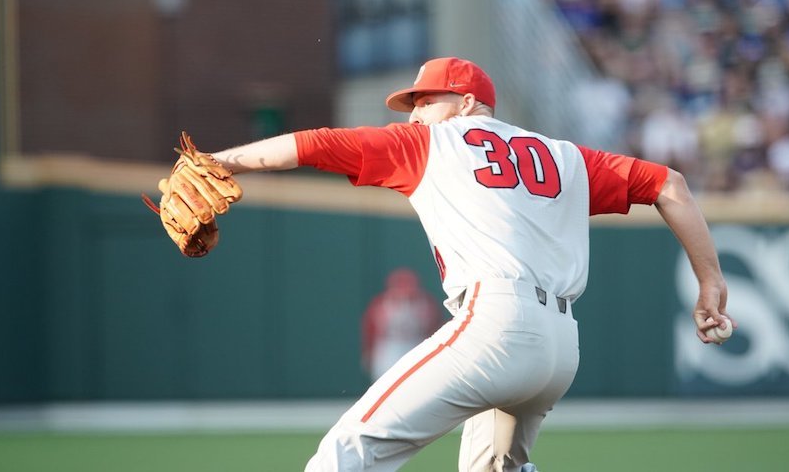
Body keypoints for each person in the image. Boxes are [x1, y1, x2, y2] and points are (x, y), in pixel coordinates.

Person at [208, 57, 734, 471]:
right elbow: (671, 185)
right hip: (560, 347)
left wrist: (218, 163)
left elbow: (314, 144)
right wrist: (709, 282)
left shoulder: (432, 141)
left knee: (348, 451)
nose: (413, 114)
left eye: (424, 100)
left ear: (465, 102)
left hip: (495, 327)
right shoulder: (567, 157)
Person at [361, 268, 443, 381]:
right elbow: (370, 331)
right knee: (386, 382)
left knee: (417, 381)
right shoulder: (381, 304)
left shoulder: (426, 304)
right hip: (389, 348)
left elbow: (436, 329)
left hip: (416, 345)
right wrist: (369, 352)